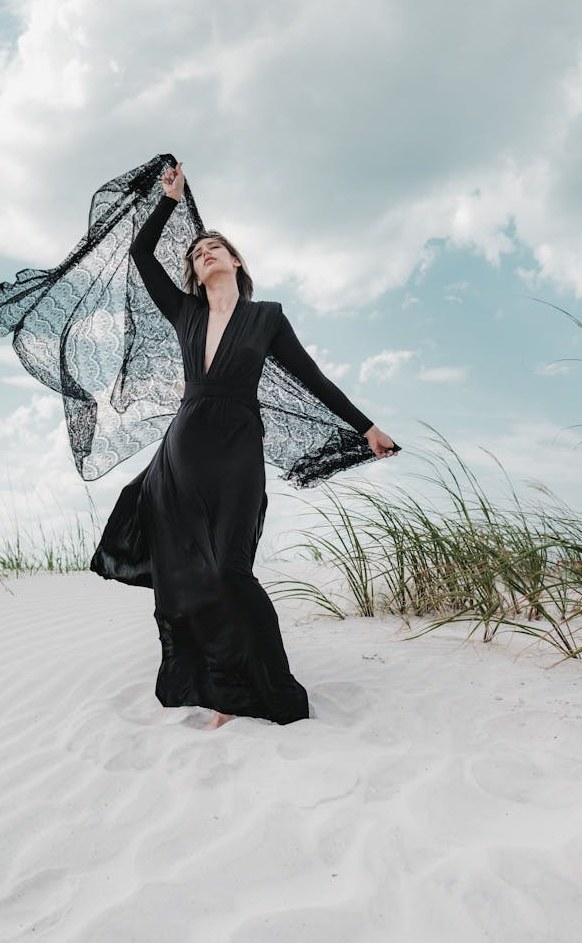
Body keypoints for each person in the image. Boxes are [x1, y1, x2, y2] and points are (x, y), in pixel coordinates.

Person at [92, 160, 398, 730]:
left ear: (235, 262)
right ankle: (224, 695)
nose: (203, 252)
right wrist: (169, 202)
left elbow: (313, 378)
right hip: (184, 450)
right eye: (196, 251)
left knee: (232, 571)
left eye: (214, 247)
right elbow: (140, 256)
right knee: (192, 576)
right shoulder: (183, 311)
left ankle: (277, 694)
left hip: (237, 449)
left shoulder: (266, 318)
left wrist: (366, 427)